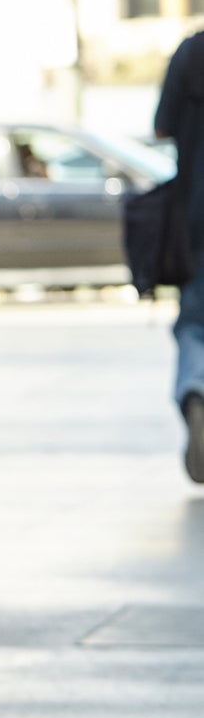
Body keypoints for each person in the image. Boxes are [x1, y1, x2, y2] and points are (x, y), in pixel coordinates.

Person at [153, 32, 204, 482]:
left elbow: (160, 128)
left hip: (195, 212)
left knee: (194, 320)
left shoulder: (190, 53)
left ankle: (195, 390)